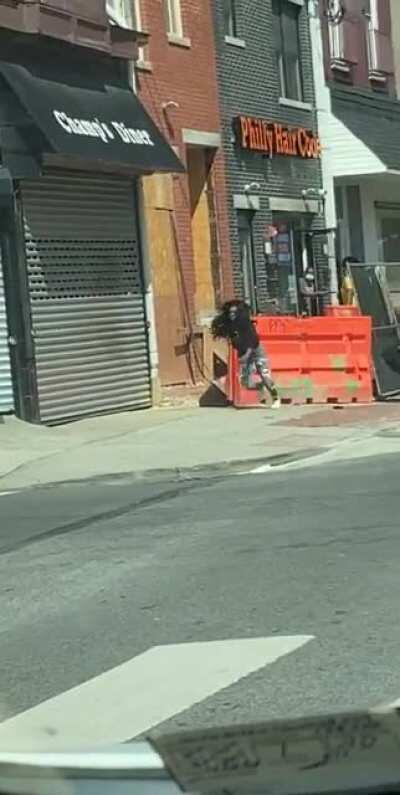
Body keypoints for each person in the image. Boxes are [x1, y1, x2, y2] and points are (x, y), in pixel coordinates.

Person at [211, 300, 281, 408]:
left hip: (256, 352)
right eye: (230, 313)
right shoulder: (230, 326)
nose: (232, 315)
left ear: (239, 313)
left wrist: (244, 358)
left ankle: (275, 397)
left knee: (265, 375)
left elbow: (252, 343)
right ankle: (261, 387)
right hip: (244, 354)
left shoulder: (246, 325)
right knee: (245, 383)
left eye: (234, 313)